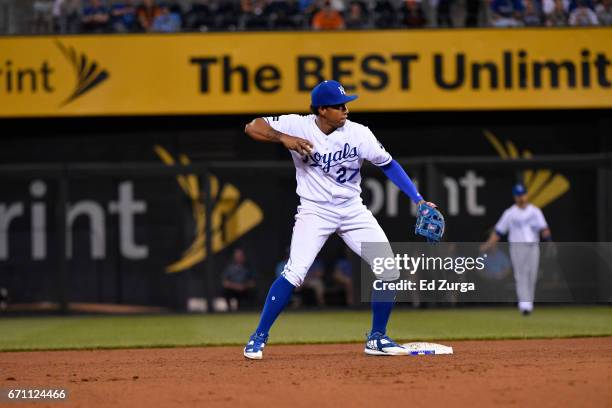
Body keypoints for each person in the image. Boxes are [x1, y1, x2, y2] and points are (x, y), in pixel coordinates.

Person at [242, 79, 436, 359]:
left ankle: (377, 338)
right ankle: (258, 337)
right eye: (339, 105)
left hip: (352, 209)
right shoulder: (298, 125)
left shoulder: (359, 134)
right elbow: (253, 126)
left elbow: (388, 164)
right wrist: (283, 138)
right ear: (322, 110)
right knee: (294, 272)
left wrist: (418, 199)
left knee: (388, 268)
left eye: (346, 104)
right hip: (315, 210)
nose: (345, 109)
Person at [480, 183, 552, 316]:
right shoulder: (510, 213)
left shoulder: (535, 211)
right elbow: (498, 231)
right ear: (515, 197)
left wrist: (549, 241)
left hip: (533, 246)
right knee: (520, 275)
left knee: (532, 275)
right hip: (517, 247)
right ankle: (524, 305)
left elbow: (544, 228)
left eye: (522, 194)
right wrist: (487, 244)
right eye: (518, 195)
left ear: (526, 194)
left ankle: (529, 302)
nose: (521, 197)